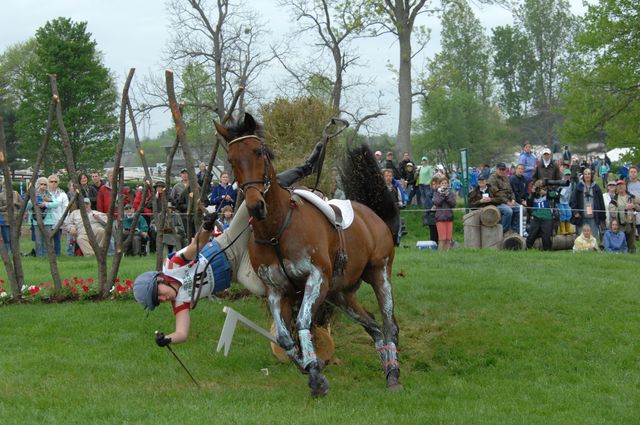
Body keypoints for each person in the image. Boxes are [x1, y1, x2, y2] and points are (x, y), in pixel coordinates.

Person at [133, 143, 324, 347]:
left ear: (159, 279)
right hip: (237, 271)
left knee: (250, 202)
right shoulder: (180, 301)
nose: (162, 299)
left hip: (229, 243)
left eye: (158, 294)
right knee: (268, 289)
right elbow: (182, 332)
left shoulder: (171, 266)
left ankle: (306, 168)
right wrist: (167, 339)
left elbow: (195, 247)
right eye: (159, 301)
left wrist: (206, 227)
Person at [570, 168, 605, 240]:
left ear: (591, 175)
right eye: (585, 174)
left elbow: (601, 202)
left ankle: (592, 250)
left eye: (589, 174)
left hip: (593, 217)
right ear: (583, 175)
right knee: (581, 238)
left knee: (593, 238)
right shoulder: (578, 187)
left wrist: (602, 216)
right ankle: (581, 250)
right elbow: (573, 201)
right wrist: (575, 212)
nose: (587, 175)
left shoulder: (596, 187)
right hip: (581, 217)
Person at [608, 180, 640, 253]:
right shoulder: (614, 200)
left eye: (622, 185)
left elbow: (639, 207)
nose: (620, 186)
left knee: (631, 246)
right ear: (616, 188)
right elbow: (612, 212)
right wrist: (624, 208)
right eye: (618, 185)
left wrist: (634, 206)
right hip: (619, 226)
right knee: (620, 245)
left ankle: (632, 259)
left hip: (631, 225)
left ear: (625, 186)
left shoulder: (632, 197)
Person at [487, 162, 519, 234]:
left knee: (520, 209)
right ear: (496, 169)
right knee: (508, 211)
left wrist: (513, 199)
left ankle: (515, 230)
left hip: (508, 200)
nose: (502, 171)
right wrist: (507, 202)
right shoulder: (492, 179)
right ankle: (503, 231)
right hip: (497, 201)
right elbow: (497, 193)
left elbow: (511, 190)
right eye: (500, 169)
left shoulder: (506, 178)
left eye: (503, 169)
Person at [26, 177, 52, 257]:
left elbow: (55, 204)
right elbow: (27, 207)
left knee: (47, 240)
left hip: (47, 220)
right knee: (38, 241)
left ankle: (47, 256)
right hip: (36, 220)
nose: (43, 186)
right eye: (41, 184)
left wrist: (46, 203)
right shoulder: (33, 194)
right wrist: (33, 200)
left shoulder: (49, 194)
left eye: (45, 184)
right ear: (38, 185)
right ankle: (39, 256)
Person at [526, 180, 554, 251]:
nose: (539, 189)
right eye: (538, 187)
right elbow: (528, 204)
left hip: (547, 217)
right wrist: (532, 193)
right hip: (536, 218)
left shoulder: (548, 192)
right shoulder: (533, 195)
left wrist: (546, 193)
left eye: (541, 187)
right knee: (532, 235)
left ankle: (547, 251)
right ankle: (528, 249)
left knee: (546, 237)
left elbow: (556, 195)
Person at [44, 174, 69, 256]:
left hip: (58, 220)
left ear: (58, 183)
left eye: (55, 181)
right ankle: (46, 254)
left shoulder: (63, 194)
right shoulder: (44, 193)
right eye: (51, 181)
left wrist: (63, 220)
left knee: (57, 238)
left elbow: (65, 208)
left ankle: (57, 254)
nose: (53, 183)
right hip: (46, 220)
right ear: (48, 183)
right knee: (46, 238)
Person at [432, 177, 456, 251]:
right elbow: (437, 202)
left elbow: (453, 204)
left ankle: (447, 253)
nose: (444, 184)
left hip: (449, 217)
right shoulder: (436, 193)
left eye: (446, 183)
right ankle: (441, 253)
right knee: (442, 238)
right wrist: (442, 195)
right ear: (439, 184)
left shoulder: (450, 193)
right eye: (442, 183)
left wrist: (447, 196)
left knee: (448, 238)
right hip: (440, 218)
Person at [0, 183, 21, 252]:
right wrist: (6, 207)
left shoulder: (16, 194)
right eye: (4, 185)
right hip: (5, 221)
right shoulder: (1, 195)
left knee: (15, 238)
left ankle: (15, 253)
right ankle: (8, 253)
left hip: (15, 220)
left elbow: (22, 204)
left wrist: (16, 204)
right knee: (7, 239)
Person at [510, 164, 528, 233]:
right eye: (519, 168)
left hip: (522, 200)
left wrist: (525, 200)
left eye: (522, 169)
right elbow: (514, 192)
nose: (520, 170)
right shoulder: (512, 179)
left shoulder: (524, 179)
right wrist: (521, 201)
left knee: (530, 208)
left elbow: (525, 192)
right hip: (514, 199)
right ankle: (517, 230)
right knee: (523, 209)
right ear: (516, 169)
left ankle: (524, 229)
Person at [422, 176, 440, 244]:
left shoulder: (442, 193)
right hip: (432, 217)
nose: (435, 186)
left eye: (437, 184)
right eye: (433, 184)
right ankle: (433, 248)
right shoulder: (429, 194)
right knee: (433, 235)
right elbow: (427, 206)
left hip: (441, 216)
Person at [557, 169, 574, 235]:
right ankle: (562, 230)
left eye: (568, 175)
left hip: (566, 202)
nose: (567, 176)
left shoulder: (570, 184)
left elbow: (569, 193)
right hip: (560, 201)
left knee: (569, 213)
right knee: (563, 214)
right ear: (563, 175)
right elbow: (558, 192)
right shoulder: (561, 182)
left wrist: (569, 202)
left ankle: (568, 229)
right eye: (566, 174)